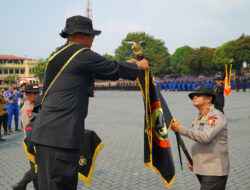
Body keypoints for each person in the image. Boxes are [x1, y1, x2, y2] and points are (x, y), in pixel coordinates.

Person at [31, 15, 149, 190]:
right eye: (92, 36)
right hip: (61, 137)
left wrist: (125, 64)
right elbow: (111, 68)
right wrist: (138, 66)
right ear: (82, 35)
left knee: (47, 184)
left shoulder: (58, 56)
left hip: (47, 133)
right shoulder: (81, 54)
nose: (93, 40)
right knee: (59, 184)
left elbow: (102, 69)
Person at [171, 86, 229, 190]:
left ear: (209, 98)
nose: (194, 97)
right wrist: (196, 163)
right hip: (203, 169)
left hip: (213, 170)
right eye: (193, 96)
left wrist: (181, 129)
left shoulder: (215, 116)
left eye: (198, 95)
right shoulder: (199, 117)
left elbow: (205, 137)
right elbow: (197, 140)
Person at [12, 84, 40, 190]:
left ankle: (21, 184)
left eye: (38, 93)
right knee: (36, 168)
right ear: (28, 95)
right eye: (35, 93)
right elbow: (29, 131)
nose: (38, 95)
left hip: (39, 141)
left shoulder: (36, 105)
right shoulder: (27, 109)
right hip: (31, 142)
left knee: (38, 166)